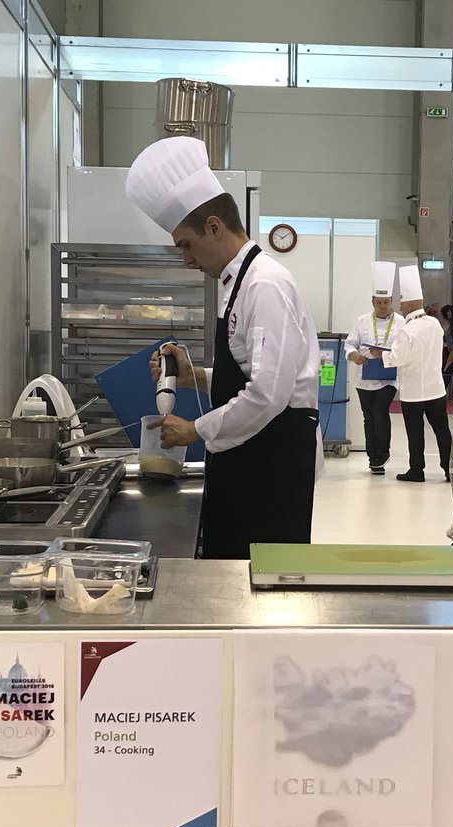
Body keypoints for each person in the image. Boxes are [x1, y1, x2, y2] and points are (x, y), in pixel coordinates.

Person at [125, 136, 322, 559]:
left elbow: (268, 395)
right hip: (250, 458)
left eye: (186, 244)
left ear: (214, 226)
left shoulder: (265, 285)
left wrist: (194, 429)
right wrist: (194, 375)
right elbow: (251, 374)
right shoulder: (238, 282)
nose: (186, 259)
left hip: (272, 466)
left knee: (261, 578)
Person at [381, 266, 453, 483]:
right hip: (435, 389)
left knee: (415, 432)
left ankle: (417, 470)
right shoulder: (435, 324)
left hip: (413, 392)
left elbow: (397, 358)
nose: (400, 308)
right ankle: (449, 468)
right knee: (442, 430)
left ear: (410, 305)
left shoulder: (408, 330)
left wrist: (381, 355)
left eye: (402, 304)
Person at [344, 261, 404, 475]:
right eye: (378, 302)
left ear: (391, 301)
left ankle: (383, 452)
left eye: (386, 302)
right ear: (372, 302)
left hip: (388, 377)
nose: (382, 306)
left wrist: (385, 354)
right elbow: (350, 343)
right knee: (368, 416)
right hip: (364, 376)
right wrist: (354, 355)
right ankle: (373, 457)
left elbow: (404, 349)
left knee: (380, 412)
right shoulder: (361, 321)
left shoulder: (401, 322)